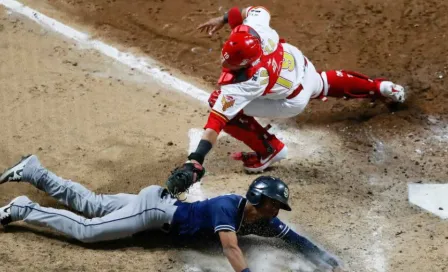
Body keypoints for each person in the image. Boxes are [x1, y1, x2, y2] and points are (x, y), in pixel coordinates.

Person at [165, 5, 406, 195]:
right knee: (322, 82)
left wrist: (195, 160)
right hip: (300, 65)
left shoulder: (246, 83)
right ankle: (381, 88)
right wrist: (224, 19)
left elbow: (214, 124)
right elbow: (252, 10)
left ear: (246, 62)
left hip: (291, 101)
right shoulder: (255, 29)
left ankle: (268, 150)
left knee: (218, 100)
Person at [0, 155, 343, 271]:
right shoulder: (229, 206)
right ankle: (22, 208)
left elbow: (294, 239)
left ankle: (34, 171)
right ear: (259, 199)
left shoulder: (265, 222)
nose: (277, 211)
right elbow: (230, 248)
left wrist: (323, 258)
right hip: (153, 213)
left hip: (157, 203)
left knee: (91, 203)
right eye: (275, 204)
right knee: (88, 230)